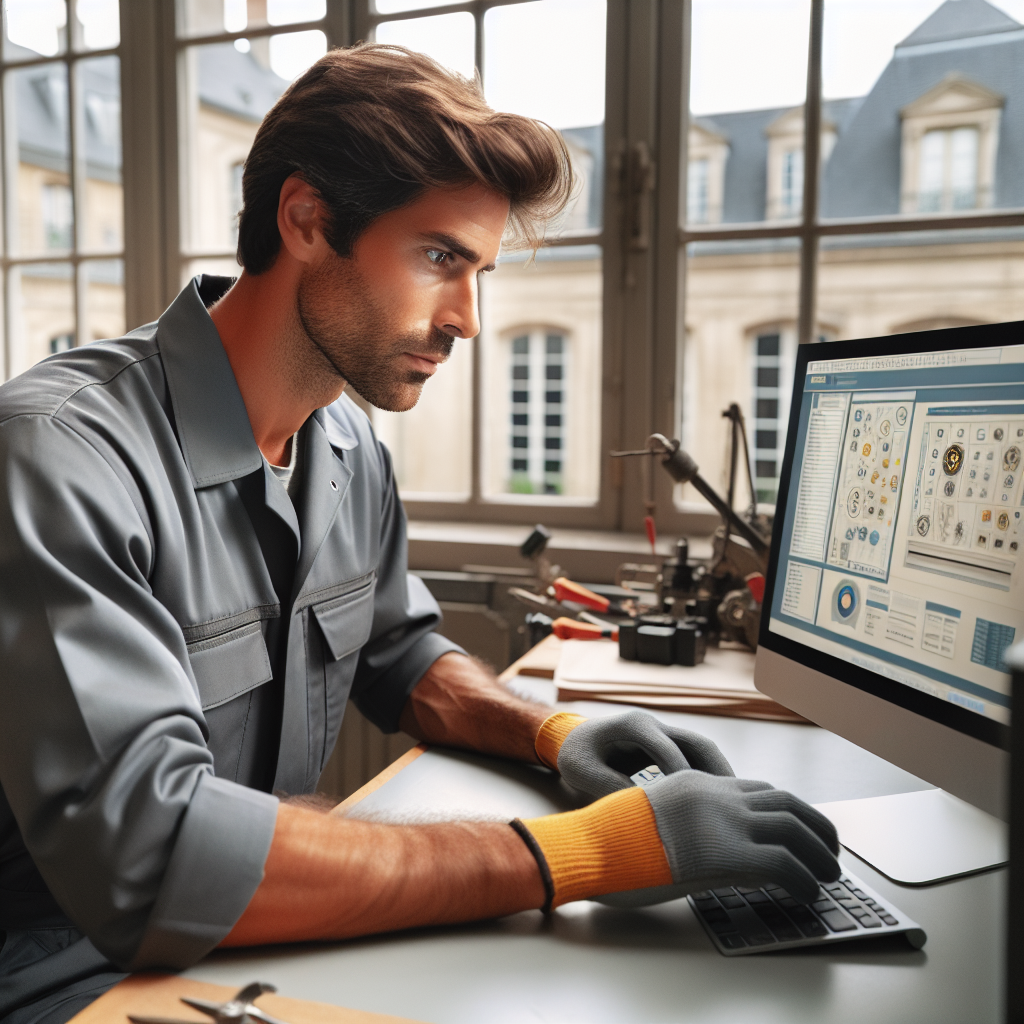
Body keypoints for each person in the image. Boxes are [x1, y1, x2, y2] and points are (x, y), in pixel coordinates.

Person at [0, 44, 839, 1023]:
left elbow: (399, 652)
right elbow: (155, 853)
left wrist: (552, 732)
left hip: (250, 951)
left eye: (477, 269)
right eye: (441, 257)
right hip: (62, 976)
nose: (469, 319)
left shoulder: (346, 442)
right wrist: (583, 852)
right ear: (307, 219)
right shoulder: (57, 454)